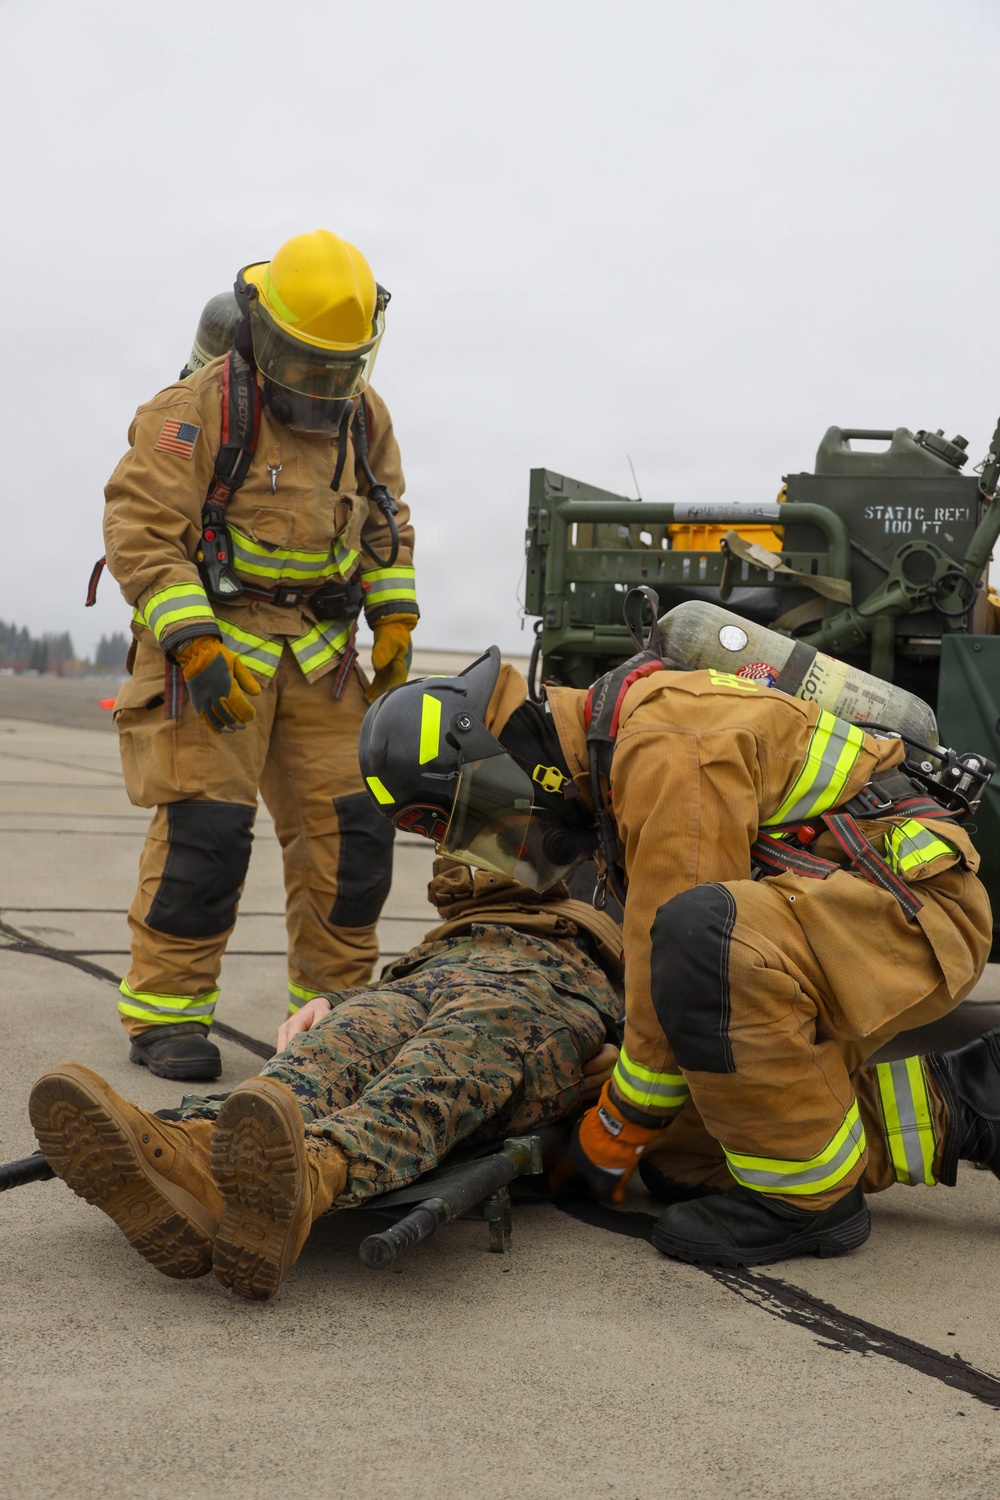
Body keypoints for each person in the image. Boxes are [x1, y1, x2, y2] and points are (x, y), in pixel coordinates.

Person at [28, 857, 1000, 1297]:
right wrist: (349, 989)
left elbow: (738, 964)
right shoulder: (541, 828)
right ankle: (187, 1150)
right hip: (454, 958)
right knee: (347, 1041)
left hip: (580, 989)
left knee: (453, 1066)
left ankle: (304, 1177)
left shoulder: (693, 841)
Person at [355, 646, 994, 1266]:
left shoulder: (662, 745)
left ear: (493, 760)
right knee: (685, 1159)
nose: (484, 842)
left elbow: (684, 953)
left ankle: (809, 1204)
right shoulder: (604, 767)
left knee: (693, 936)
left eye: (463, 819)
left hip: (909, 914)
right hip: (828, 918)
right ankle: (966, 1101)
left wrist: (615, 1124)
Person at [102, 229, 419, 1083]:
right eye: (304, 362)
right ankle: (167, 1015)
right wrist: (194, 644)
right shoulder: (193, 410)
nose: (320, 383)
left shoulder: (366, 414)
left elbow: (388, 528)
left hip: (319, 657)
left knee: (353, 839)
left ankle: (334, 1019)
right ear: (261, 333)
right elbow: (140, 532)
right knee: (205, 836)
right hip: (212, 655)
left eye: (336, 364)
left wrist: (395, 623)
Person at [29, 860, 623, 1300]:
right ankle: (193, 1156)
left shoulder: (622, 874)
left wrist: (629, 1053)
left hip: (553, 996)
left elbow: (692, 984)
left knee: (435, 1073)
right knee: (313, 1065)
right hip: (424, 976)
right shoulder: (478, 901)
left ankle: (311, 1174)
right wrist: (337, 1000)